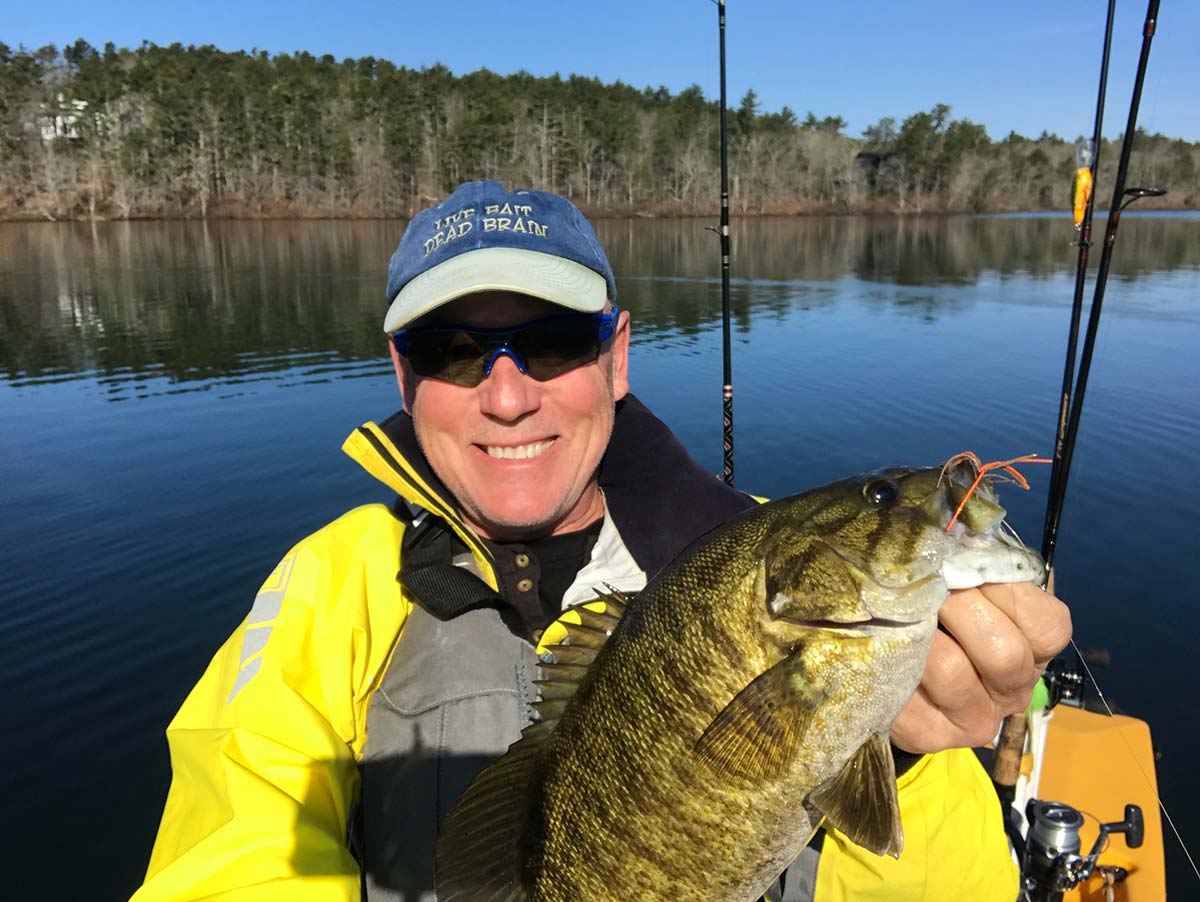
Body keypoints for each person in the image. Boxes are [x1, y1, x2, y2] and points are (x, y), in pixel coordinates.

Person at [133, 180, 1072, 902]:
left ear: (616, 356)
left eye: (550, 342)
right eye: (452, 352)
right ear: (402, 374)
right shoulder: (332, 589)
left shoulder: (767, 573)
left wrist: (911, 754)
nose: (506, 395)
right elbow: (231, 858)